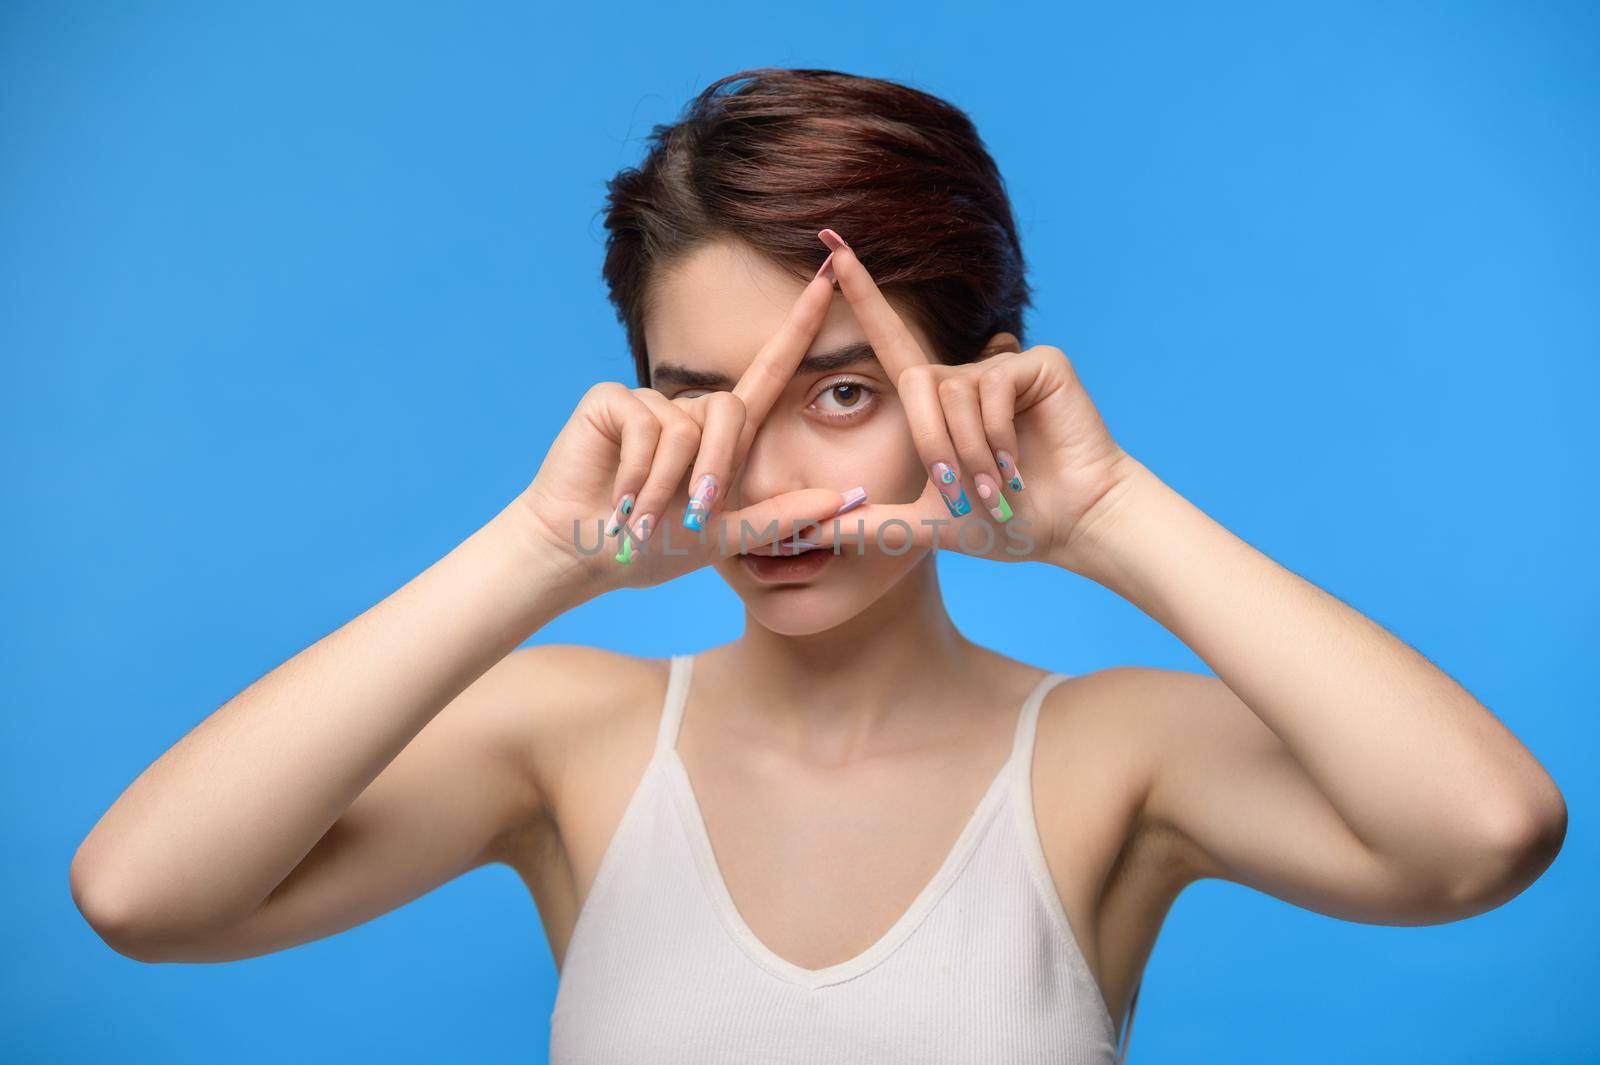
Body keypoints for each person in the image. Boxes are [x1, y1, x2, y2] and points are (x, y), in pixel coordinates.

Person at [69, 69, 1566, 1064]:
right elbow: (143, 894)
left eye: (843, 391)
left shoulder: (1113, 756)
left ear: (979, 383)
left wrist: (1103, 510)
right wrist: (543, 552)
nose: (769, 477)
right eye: (703, 398)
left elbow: (1486, 832)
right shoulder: (568, 742)